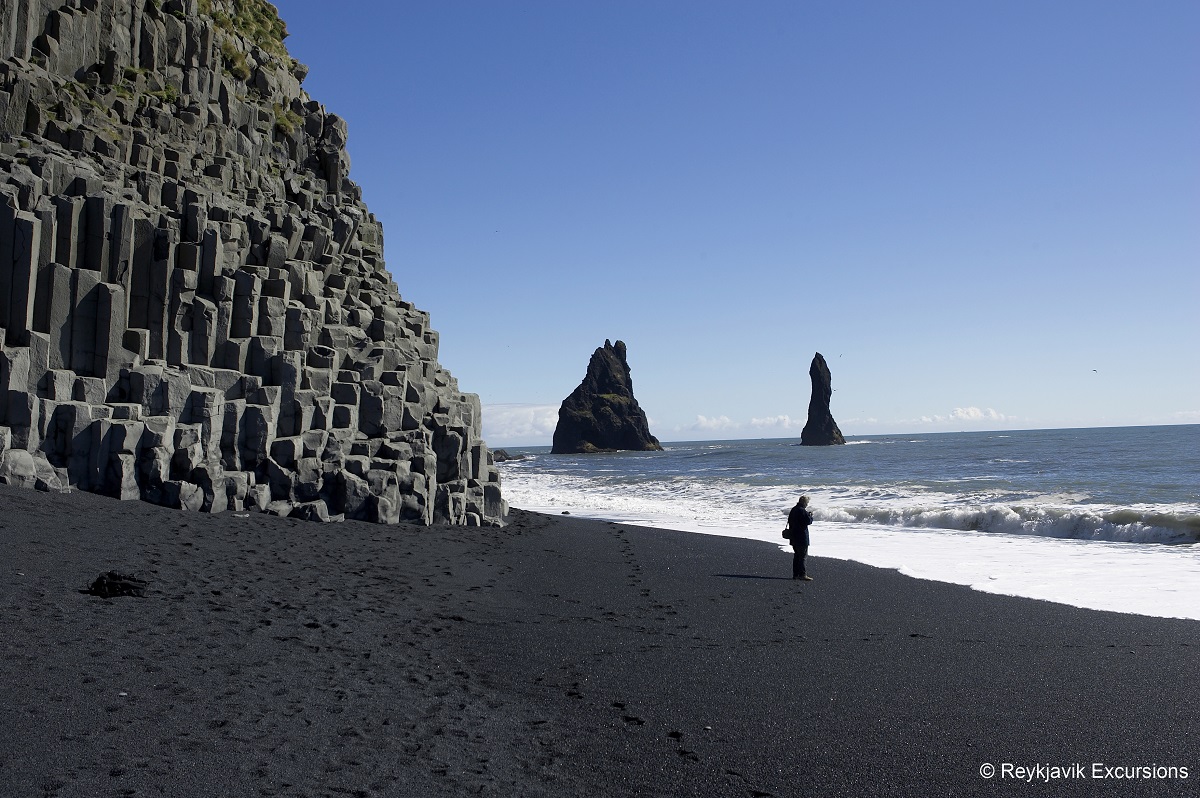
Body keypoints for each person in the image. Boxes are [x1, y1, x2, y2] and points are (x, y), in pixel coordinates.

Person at [784, 495, 814, 581]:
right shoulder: (802, 511)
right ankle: (802, 574)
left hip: (793, 536)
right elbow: (808, 521)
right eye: (807, 503)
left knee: (797, 555)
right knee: (803, 556)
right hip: (801, 537)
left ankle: (795, 574)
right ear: (804, 502)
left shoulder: (793, 509)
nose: (807, 504)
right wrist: (811, 516)